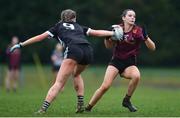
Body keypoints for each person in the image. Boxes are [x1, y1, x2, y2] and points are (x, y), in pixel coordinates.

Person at [10, 9, 120, 114]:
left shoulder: (57, 27)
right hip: (88, 50)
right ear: (74, 18)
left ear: (62, 18)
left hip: (73, 49)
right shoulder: (79, 26)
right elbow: (96, 33)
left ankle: (42, 110)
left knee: (59, 82)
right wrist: (112, 33)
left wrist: (21, 44)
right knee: (76, 74)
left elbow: (40, 37)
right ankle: (80, 104)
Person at [85, 9, 156, 112]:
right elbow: (108, 46)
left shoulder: (138, 31)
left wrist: (146, 38)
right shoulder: (117, 29)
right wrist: (107, 37)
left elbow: (152, 48)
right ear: (123, 18)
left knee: (136, 76)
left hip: (129, 63)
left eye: (134, 16)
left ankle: (126, 100)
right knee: (105, 86)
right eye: (130, 16)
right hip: (116, 62)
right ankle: (88, 108)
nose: (132, 18)